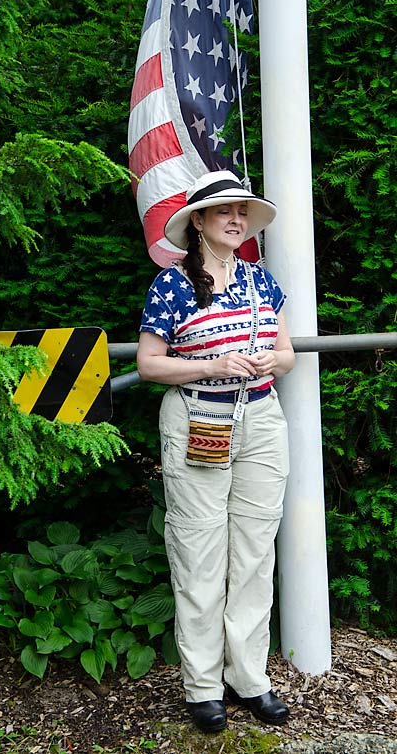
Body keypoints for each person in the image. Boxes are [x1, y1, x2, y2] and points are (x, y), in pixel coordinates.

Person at [136, 170, 295, 733]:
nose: (236, 219)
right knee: (200, 553)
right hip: (198, 416)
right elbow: (150, 364)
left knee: (254, 552)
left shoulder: (261, 281)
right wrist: (212, 365)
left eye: (242, 213)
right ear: (198, 222)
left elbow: (286, 352)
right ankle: (202, 686)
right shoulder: (173, 285)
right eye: (223, 211)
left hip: (259, 419)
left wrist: (272, 363)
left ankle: (249, 678)